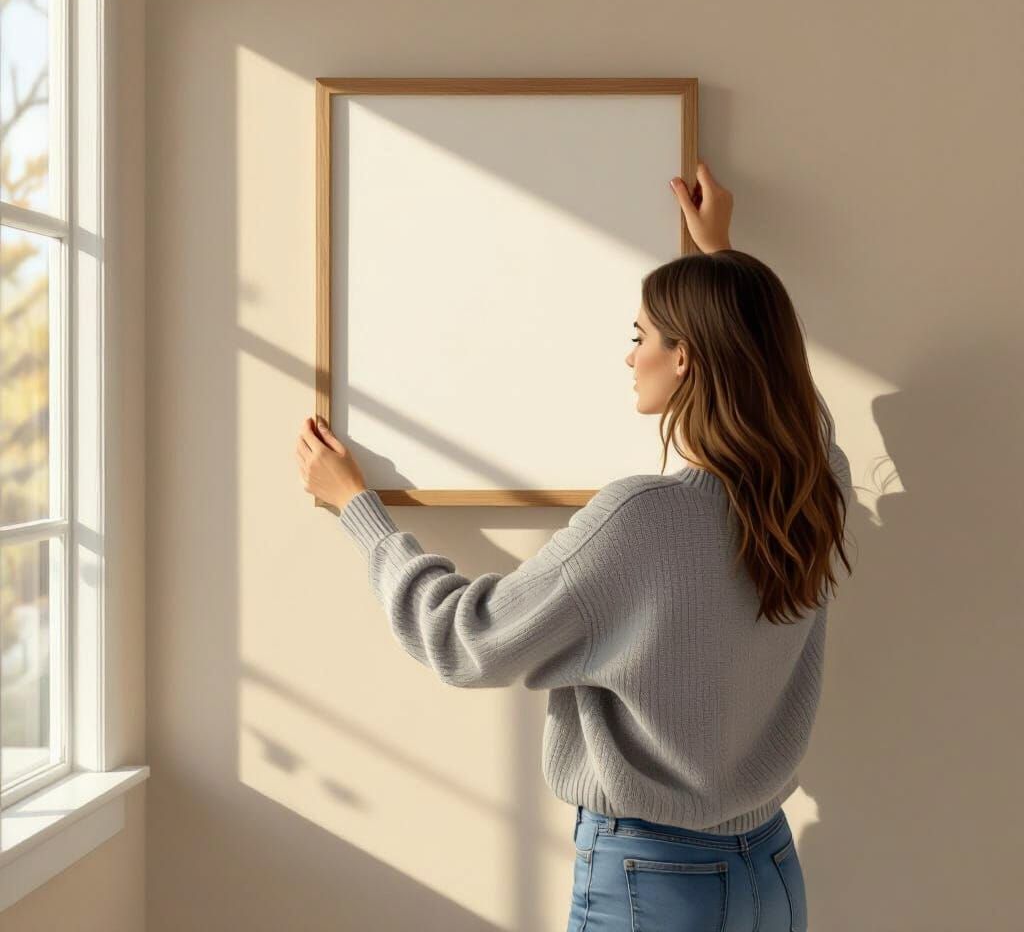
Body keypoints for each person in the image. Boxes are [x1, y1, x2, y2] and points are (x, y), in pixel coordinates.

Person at [295, 159, 854, 932]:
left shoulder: (644, 519)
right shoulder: (816, 487)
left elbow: (464, 640)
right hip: (771, 875)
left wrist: (357, 506)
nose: (631, 355)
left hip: (655, 882)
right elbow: (791, 397)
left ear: (686, 357)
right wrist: (717, 257)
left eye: (642, 336)